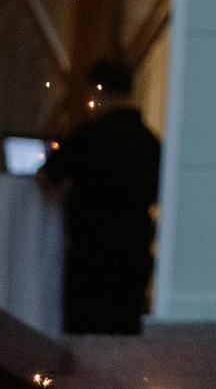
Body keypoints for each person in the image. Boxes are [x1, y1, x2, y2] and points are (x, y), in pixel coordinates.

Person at [40, 60, 162, 335]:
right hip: (134, 252)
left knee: (86, 334)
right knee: (124, 330)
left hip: (92, 257)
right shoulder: (150, 142)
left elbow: (48, 176)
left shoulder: (91, 136)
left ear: (98, 90)